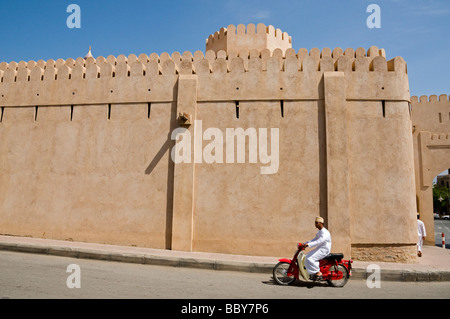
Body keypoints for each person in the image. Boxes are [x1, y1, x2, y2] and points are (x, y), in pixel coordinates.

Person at [302, 217, 331, 281]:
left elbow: (319, 241)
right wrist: (305, 243)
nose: (315, 224)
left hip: (324, 250)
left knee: (310, 258)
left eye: (316, 223)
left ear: (321, 223)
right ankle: (312, 274)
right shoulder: (319, 231)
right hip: (320, 248)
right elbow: (314, 239)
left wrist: (309, 245)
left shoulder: (325, 232)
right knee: (306, 256)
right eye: (315, 223)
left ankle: (318, 272)